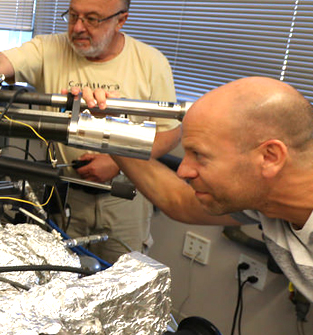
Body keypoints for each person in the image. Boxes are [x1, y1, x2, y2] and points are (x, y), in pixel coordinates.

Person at [0, 0, 181, 262]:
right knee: (62, 275)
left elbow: (169, 133)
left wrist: (116, 161)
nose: (78, 27)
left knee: (122, 281)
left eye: (92, 19)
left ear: (121, 20)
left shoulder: (151, 63)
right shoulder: (49, 49)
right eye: (73, 15)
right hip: (65, 195)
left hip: (125, 198)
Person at [82, 77, 313, 300]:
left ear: (270, 157)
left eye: (199, 155)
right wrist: (108, 127)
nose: (183, 171)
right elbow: (179, 200)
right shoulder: (264, 199)